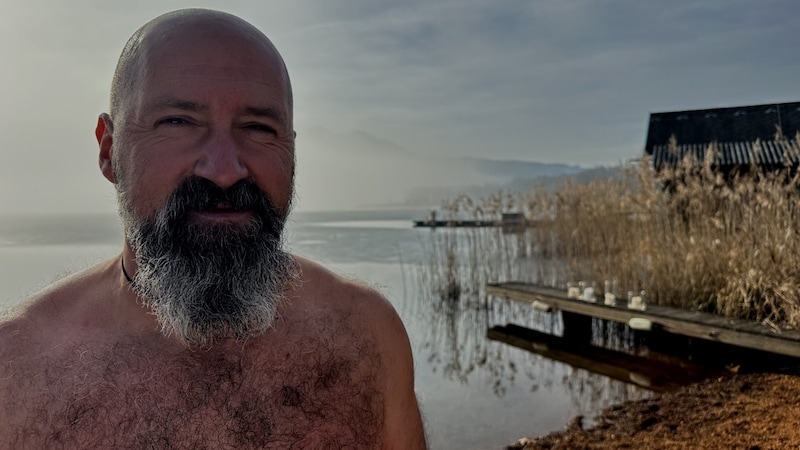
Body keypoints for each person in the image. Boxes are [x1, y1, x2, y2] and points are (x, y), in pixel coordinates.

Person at [0, 8, 427, 449]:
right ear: (110, 151)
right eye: (178, 122)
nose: (224, 170)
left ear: (292, 154)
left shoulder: (367, 333)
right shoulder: (14, 373)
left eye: (259, 128)